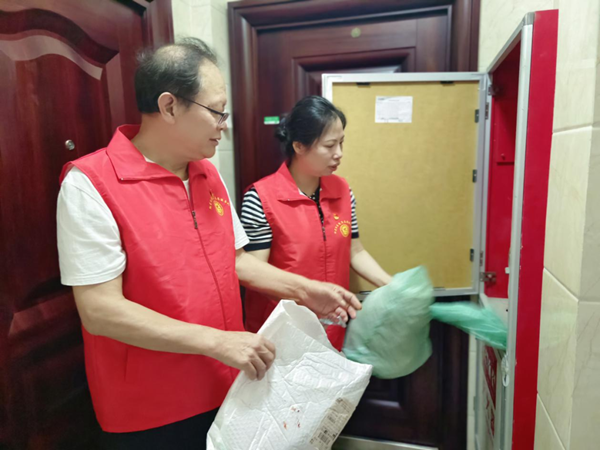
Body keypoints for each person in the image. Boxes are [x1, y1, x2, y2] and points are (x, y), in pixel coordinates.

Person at [56, 39, 360, 450]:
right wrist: (217, 341)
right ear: (169, 107)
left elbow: (234, 261)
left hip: (227, 381)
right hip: (150, 406)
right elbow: (99, 310)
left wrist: (304, 290)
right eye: (217, 112)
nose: (224, 125)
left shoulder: (206, 174)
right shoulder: (91, 183)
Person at [240, 96, 392, 351]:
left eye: (341, 143)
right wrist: (306, 295)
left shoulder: (342, 191)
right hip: (281, 332)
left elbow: (355, 251)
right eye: (330, 145)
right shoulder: (260, 198)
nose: (339, 154)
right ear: (299, 146)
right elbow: (256, 274)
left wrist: (392, 286)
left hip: (333, 325)